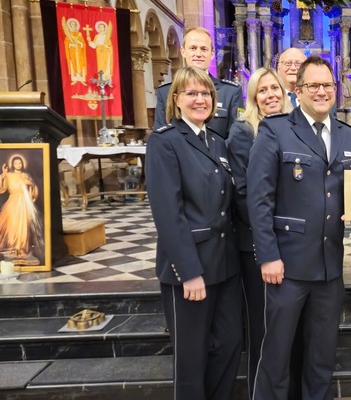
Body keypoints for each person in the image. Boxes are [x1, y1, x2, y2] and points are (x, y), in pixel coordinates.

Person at [247, 55, 351, 400]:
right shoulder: (276, 129)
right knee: (277, 357)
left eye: (328, 85)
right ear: (297, 90)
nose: (322, 92)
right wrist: (267, 255)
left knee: (322, 358)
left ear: (335, 90)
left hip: (329, 268)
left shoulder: (347, 135)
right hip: (287, 267)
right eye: (314, 85)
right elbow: (259, 198)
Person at [146, 66, 243, 400]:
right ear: (176, 99)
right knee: (191, 356)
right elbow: (168, 215)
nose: (200, 99)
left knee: (229, 344)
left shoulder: (217, 142)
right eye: (192, 93)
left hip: (225, 265)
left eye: (206, 94)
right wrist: (189, 272)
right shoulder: (165, 141)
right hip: (190, 268)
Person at [225, 67, 293, 399]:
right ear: (253, 97)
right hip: (257, 242)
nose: (270, 95)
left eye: (275, 88)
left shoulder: (295, 127)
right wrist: (268, 235)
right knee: (263, 330)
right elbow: (243, 192)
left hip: (293, 241)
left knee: (287, 329)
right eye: (262, 90)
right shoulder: (242, 132)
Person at [154, 27, 243, 140]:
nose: (198, 54)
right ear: (183, 51)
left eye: (204, 49)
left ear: (212, 53)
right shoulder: (166, 92)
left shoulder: (231, 92)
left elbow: (237, 138)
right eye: (193, 48)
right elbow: (160, 136)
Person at [0, 155, 45, 264]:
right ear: (12, 165)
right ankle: (13, 251)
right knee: (12, 226)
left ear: (22, 164)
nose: (18, 165)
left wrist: (32, 185)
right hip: (13, 202)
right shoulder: (9, 175)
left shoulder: (26, 175)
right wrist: (3, 174)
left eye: (20, 163)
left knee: (24, 227)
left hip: (24, 203)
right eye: (15, 163)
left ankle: (23, 251)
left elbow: (33, 191)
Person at [61, 17, 87, 85]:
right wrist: (70, 45)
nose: (73, 25)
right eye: (72, 24)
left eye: (75, 24)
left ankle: (81, 79)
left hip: (79, 52)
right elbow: (66, 43)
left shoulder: (79, 34)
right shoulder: (68, 35)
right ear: (70, 25)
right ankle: (75, 79)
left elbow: (83, 43)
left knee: (81, 64)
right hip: (72, 52)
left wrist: (80, 43)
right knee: (73, 64)